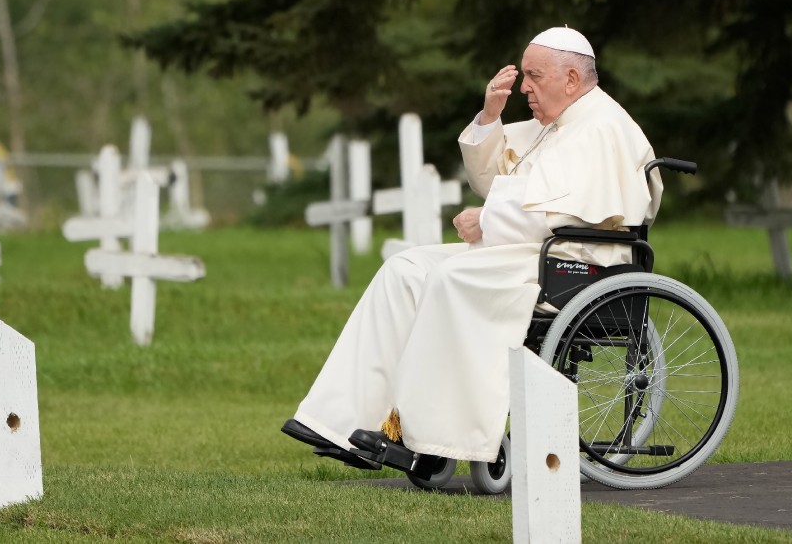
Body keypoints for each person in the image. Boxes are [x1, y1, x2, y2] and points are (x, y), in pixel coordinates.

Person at [281, 26, 664, 471]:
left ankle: (426, 441)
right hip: (538, 251)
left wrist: (486, 219)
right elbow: (494, 183)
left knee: (450, 276)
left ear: (572, 80)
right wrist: (489, 117)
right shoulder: (558, 124)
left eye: (534, 77)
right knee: (406, 268)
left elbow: (567, 216)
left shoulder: (603, 127)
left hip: (578, 260)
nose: (524, 88)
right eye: (524, 76)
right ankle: (339, 421)